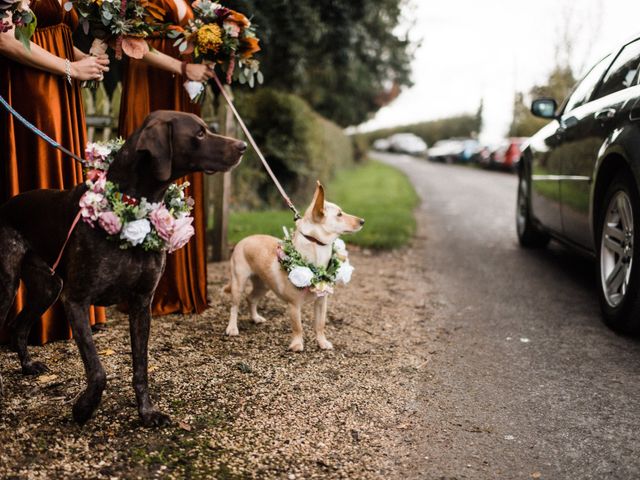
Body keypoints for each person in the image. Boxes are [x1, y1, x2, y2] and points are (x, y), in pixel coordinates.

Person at [0, 0, 110, 344]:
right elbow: (5, 38)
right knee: (38, 186)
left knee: (62, 195)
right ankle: (21, 311)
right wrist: (69, 67)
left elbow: (52, 35)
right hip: (29, 90)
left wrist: (82, 60)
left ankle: (66, 307)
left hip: (60, 93)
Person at [118, 0, 214, 315]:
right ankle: (141, 285)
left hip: (181, 89)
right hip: (152, 85)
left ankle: (180, 282)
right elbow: (135, 44)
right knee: (154, 167)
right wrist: (184, 67)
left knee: (184, 165)